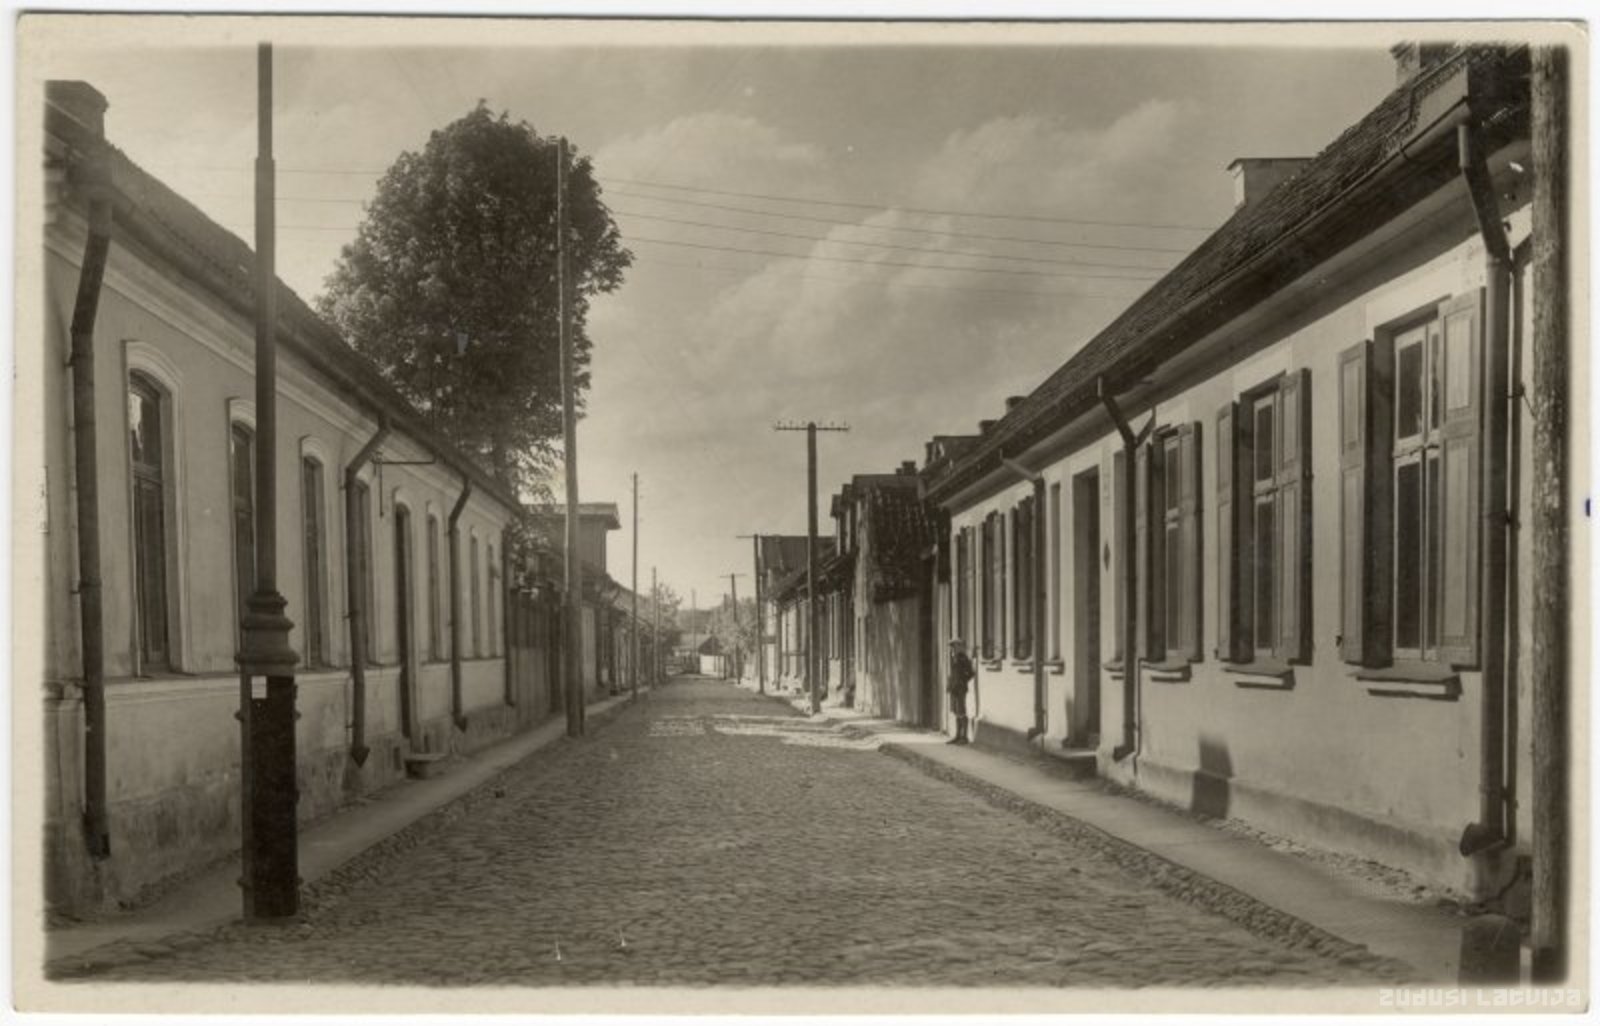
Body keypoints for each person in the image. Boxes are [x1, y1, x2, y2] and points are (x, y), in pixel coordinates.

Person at [946, 638, 975, 745]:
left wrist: (962, 681)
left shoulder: (963, 658)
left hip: (960, 688)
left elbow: (971, 673)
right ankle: (958, 735)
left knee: (961, 711)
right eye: (952, 646)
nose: (953, 648)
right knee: (956, 712)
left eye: (954, 646)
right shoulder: (953, 657)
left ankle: (964, 737)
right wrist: (950, 685)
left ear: (959, 646)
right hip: (954, 688)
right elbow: (952, 674)